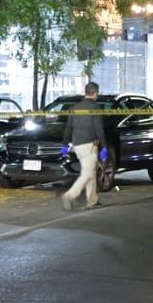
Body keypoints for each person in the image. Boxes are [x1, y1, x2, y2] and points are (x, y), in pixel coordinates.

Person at [60, 82, 106, 211]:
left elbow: (68, 128)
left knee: (90, 170)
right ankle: (69, 196)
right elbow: (99, 128)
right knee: (87, 173)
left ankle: (92, 200)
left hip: (77, 145)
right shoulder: (95, 108)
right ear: (95, 93)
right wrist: (104, 146)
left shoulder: (75, 107)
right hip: (89, 144)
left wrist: (65, 144)